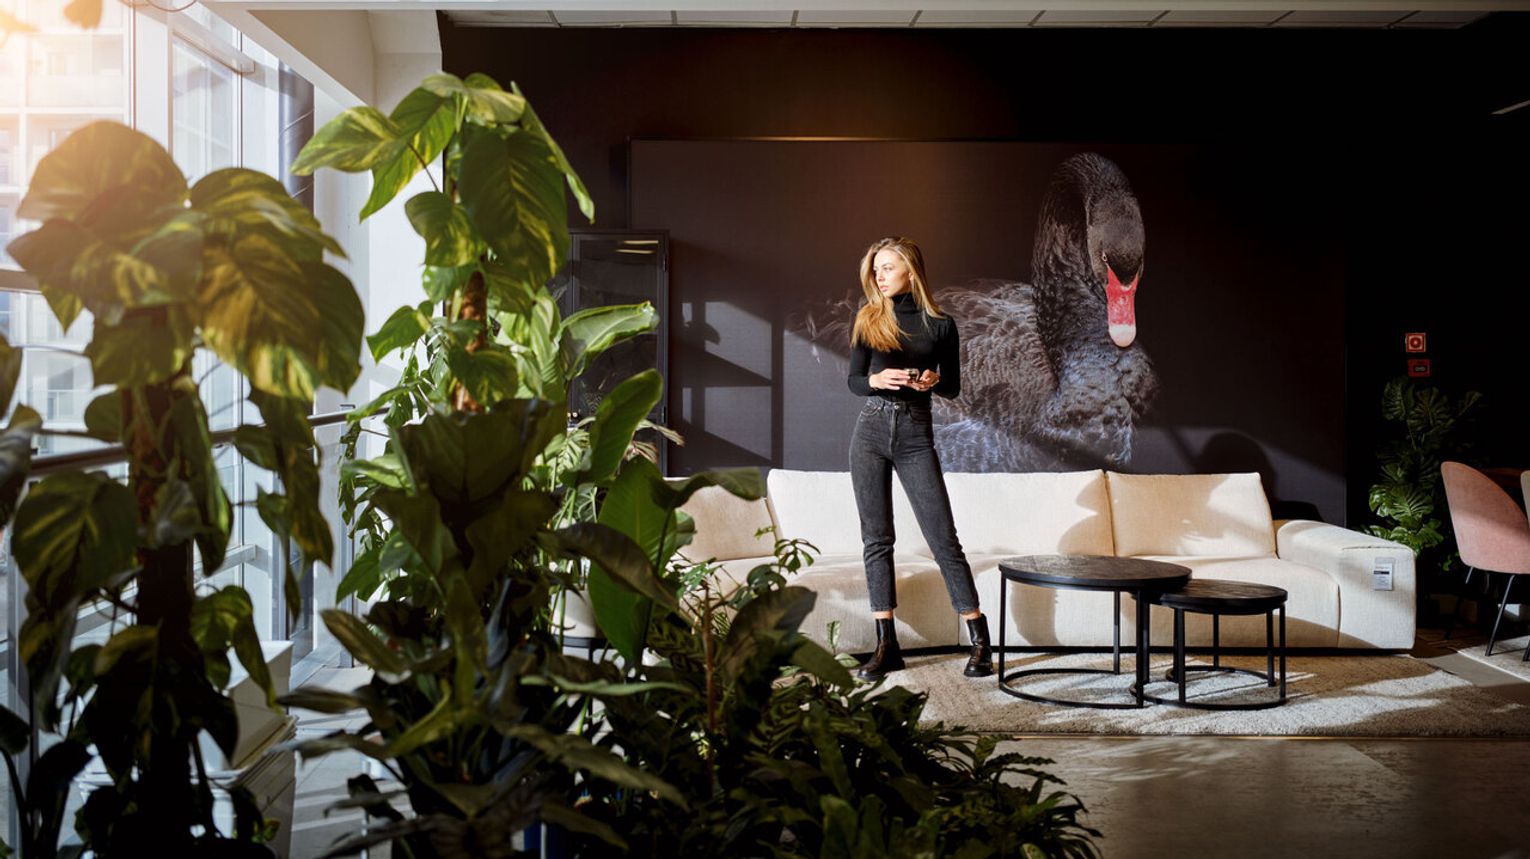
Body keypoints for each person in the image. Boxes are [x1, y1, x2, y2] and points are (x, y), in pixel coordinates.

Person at [846, 236, 992, 681]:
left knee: (943, 537)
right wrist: (876, 380)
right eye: (875, 269)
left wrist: (931, 380)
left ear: (911, 270)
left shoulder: (941, 325)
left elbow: (953, 386)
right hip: (870, 430)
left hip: (915, 432)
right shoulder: (868, 317)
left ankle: (980, 640)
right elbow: (854, 380)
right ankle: (886, 645)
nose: (879, 276)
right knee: (877, 539)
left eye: (887, 268)